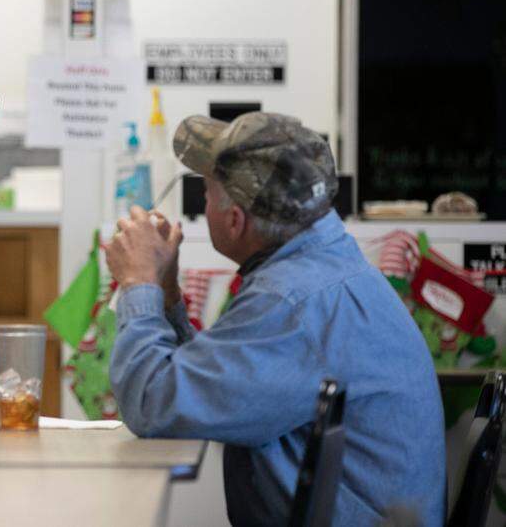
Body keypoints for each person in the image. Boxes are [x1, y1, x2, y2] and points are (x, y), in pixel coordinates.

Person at [106, 112, 444, 525]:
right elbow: (210, 386)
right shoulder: (321, 269)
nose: (204, 203)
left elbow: (151, 405)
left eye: (207, 193)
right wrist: (166, 292)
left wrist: (138, 281)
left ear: (235, 220)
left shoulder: (291, 300)